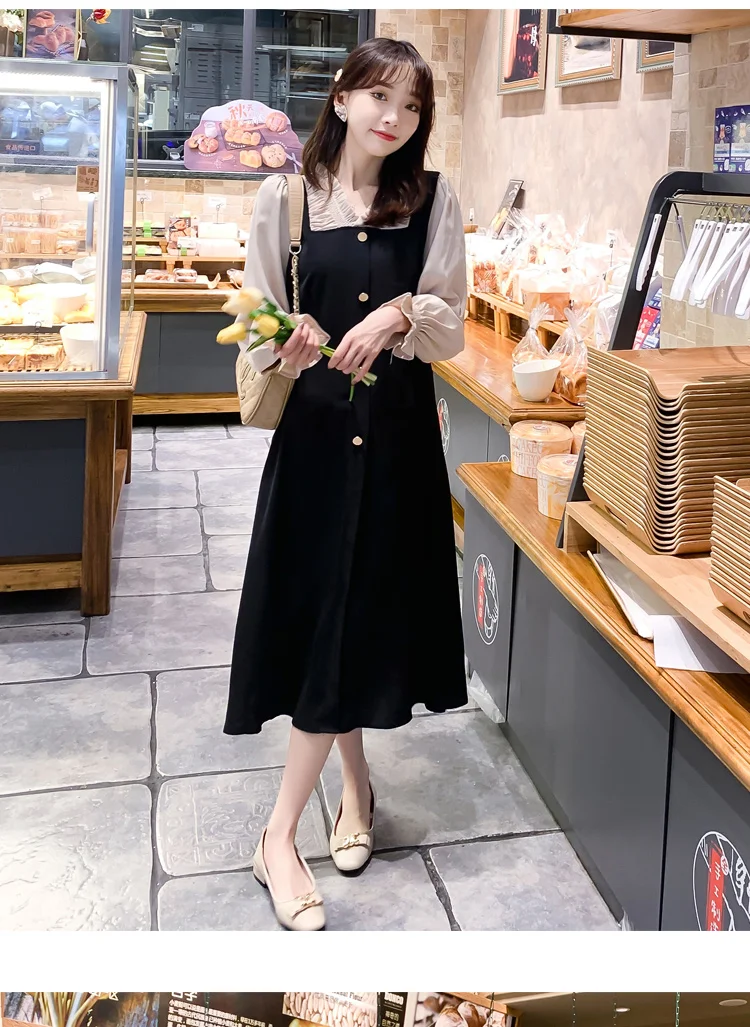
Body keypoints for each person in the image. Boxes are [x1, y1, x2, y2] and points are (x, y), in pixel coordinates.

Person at [224, 37, 468, 930]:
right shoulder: (287, 198)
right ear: (341, 97)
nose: (393, 117)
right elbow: (254, 320)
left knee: (356, 617)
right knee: (325, 618)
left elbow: (450, 326)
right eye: (378, 97)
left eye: (411, 105)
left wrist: (400, 312)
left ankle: (354, 790)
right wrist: (287, 341)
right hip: (318, 446)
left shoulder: (434, 200)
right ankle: (280, 835)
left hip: (398, 446)